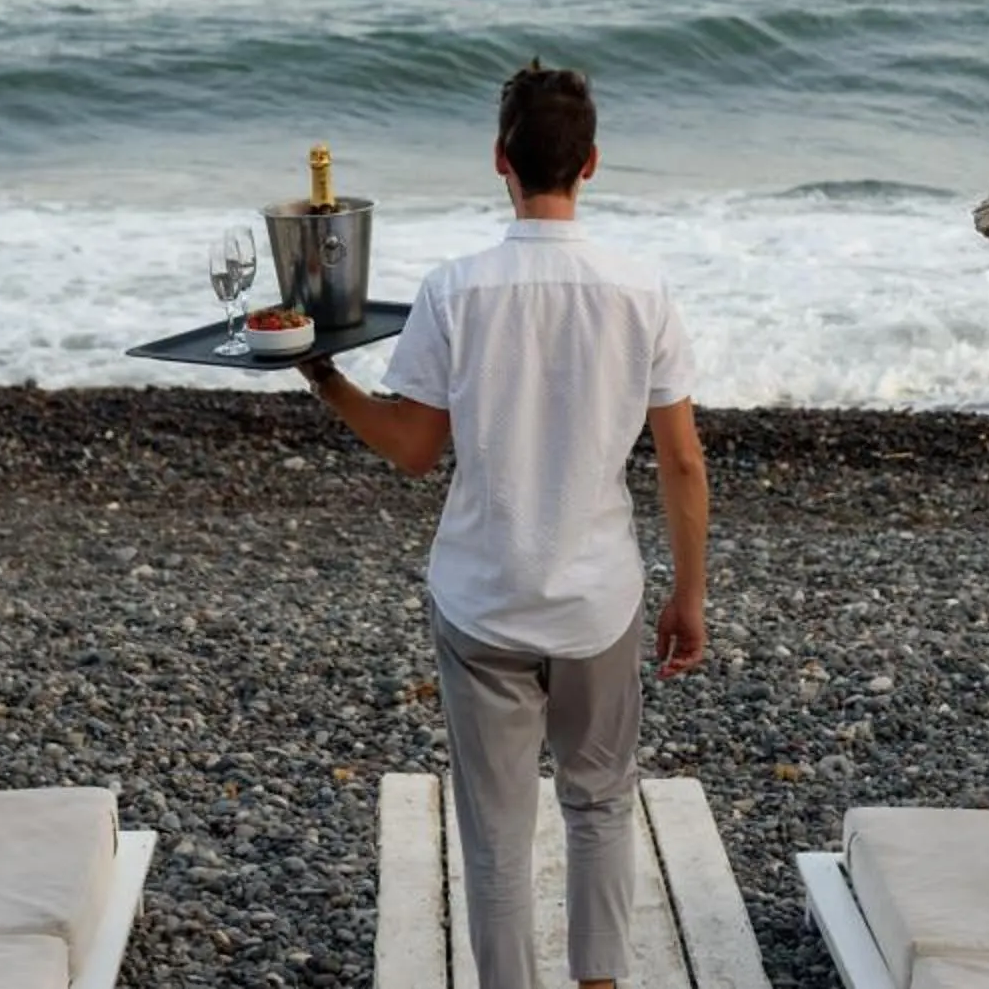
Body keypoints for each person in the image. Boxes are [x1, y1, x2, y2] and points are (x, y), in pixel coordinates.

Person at [298, 59, 709, 989]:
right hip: (596, 598)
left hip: (482, 595)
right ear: (592, 164)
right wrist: (690, 596)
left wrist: (327, 379)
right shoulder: (641, 290)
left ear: (501, 161)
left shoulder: (455, 291)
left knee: (494, 830)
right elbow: (682, 461)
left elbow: (411, 448)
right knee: (601, 805)